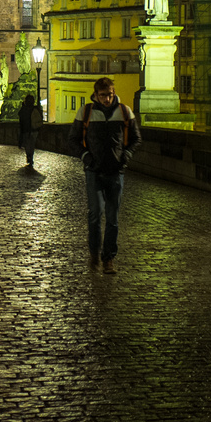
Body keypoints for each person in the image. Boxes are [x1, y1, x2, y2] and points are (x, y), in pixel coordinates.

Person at [73, 77, 141, 274]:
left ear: (113, 92)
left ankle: (108, 258)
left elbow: (136, 138)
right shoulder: (85, 112)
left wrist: (126, 155)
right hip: (93, 171)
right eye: (103, 95)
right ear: (96, 95)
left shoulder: (125, 112)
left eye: (110, 94)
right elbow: (73, 139)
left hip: (115, 172)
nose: (107, 99)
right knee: (95, 214)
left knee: (112, 218)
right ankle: (94, 252)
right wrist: (86, 157)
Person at [17, 92, 44, 171]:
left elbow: (20, 119)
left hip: (26, 130)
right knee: (31, 144)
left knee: (27, 144)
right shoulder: (35, 109)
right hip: (34, 129)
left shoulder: (24, 109)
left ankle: (29, 156)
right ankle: (30, 156)